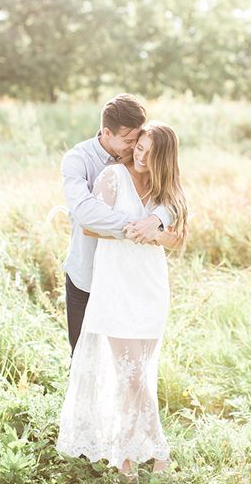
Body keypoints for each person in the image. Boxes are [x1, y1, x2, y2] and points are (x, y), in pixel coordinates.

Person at [57, 121, 188, 480]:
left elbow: (178, 240)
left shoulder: (166, 190)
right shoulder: (114, 176)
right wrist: (134, 227)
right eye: (139, 147)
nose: (141, 155)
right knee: (129, 374)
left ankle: (126, 453)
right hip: (115, 284)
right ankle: (153, 448)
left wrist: (156, 231)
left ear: (165, 157)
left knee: (140, 372)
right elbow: (88, 225)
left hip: (150, 285)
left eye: (149, 151)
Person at [60, 94, 172, 356]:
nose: (135, 148)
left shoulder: (140, 158)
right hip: (87, 274)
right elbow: (86, 212)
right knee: (82, 357)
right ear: (107, 132)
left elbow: (173, 192)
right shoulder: (77, 160)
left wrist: (158, 219)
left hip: (127, 278)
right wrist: (137, 227)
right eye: (129, 141)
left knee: (122, 360)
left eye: (138, 140)